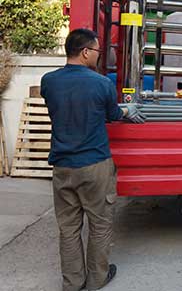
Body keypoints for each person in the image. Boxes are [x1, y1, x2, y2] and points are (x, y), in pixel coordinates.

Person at [41, 28, 146, 291]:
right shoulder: (102, 84)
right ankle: (97, 279)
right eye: (98, 51)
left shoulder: (48, 81)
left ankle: (72, 283)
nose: (100, 55)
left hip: (62, 167)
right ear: (85, 52)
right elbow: (113, 114)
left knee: (68, 228)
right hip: (95, 165)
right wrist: (127, 110)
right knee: (100, 224)